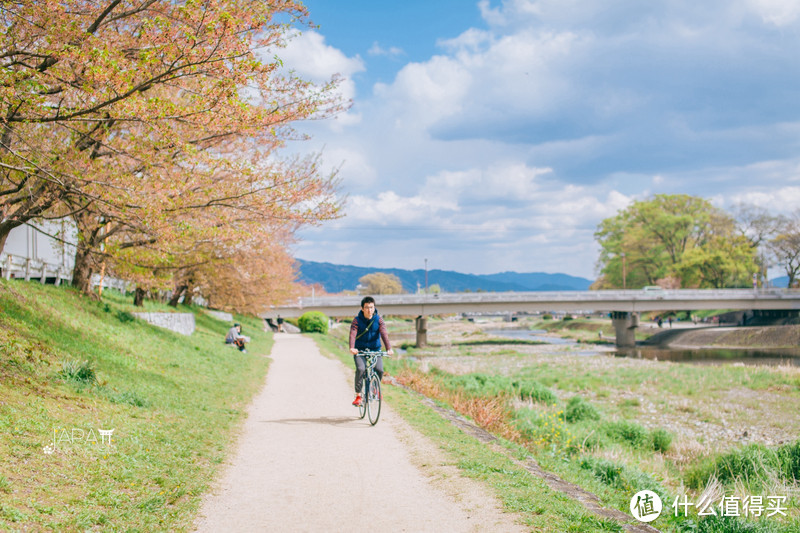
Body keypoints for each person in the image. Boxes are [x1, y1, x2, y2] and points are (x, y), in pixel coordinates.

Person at [349, 296, 393, 406]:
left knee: (379, 369)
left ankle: (374, 388)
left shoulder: (379, 319)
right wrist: (352, 347)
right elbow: (353, 333)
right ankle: (358, 395)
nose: (369, 310)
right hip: (360, 351)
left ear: (374, 308)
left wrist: (389, 348)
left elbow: (384, 333)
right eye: (367, 307)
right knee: (361, 369)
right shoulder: (357, 320)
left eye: (371, 307)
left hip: (375, 350)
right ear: (362, 308)